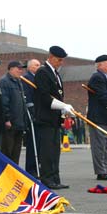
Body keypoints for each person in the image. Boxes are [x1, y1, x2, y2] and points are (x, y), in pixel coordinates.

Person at [34, 46, 75, 189]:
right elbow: (45, 97)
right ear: (51, 57)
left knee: (55, 151)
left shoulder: (56, 74)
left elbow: (58, 95)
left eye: (62, 60)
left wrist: (64, 112)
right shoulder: (42, 72)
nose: (61, 62)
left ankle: (55, 178)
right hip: (45, 118)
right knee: (47, 151)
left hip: (54, 119)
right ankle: (47, 179)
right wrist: (62, 105)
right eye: (59, 60)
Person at [0, 61, 28, 164]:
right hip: (11, 123)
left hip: (19, 123)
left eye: (22, 69)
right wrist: (7, 119)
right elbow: (4, 102)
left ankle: (14, 174)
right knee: (7, 151)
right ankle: (5, 174)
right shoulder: (4, 82)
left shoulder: (18, 82)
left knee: (16, 152)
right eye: (18, 68)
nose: (21, 71)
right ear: (11, 69)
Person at [22, 59, 41, 177]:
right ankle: (31, 169)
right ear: (29, 67)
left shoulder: (38, 78)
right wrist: (33, 111)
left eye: (40, 65)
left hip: (39, 113)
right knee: (32, 144)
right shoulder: (27, 78)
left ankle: (38, 166)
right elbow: (28, 97)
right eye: (36, 65)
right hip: (32, 113)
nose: (39, 67)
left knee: (39, 144)